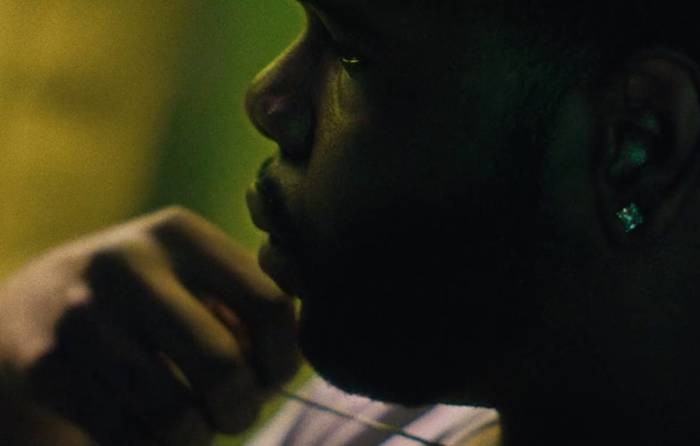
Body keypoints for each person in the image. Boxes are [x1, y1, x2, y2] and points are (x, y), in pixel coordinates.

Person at [3, 0, 700, 445]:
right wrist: (15, 380)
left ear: (636, 147)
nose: (267, 99)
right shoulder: (380, 420)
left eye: (351, 53)